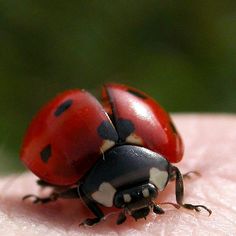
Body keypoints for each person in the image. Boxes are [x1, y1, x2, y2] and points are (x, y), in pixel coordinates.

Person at [0, 115, 235, 235]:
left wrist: (94, 215)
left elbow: (85, 191)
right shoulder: (163, 165)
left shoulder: (89, 185)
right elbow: (84, 191)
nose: (138, 206)